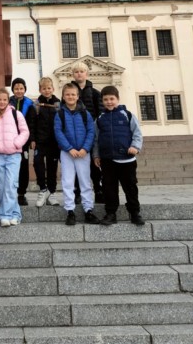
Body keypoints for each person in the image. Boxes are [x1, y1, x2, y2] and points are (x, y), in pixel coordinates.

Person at [94, 86, 145, 226]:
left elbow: (137, 133)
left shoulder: (127, 115)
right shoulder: (100, 118)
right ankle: (111, 213)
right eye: (106, 99)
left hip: (127, 160)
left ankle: (134, 213)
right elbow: (96, 139)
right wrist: (96, 155)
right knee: (109, 188)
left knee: (130, 187)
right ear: (102, 101)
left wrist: (135, 147)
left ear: (118, 99)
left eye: (112, 99)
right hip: (107, 160)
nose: (109, 102)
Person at [54, 83, 100, 226]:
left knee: (85, 181)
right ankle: (70, 211)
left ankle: (88, 210)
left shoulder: (85, 114)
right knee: (67, 182)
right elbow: (58, 132)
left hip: (82, 153)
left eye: (73, 94)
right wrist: (69, 148)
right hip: (67, 153)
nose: (70, 97)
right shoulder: (60, 114)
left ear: (77, 96)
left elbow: (91, 132)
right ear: (63, 96)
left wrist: (85, 148)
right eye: (67, 94)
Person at [0, 88, 29, 227]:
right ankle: (15, 214)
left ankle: (4, 215)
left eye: (4, 99)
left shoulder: (16, 113)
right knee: (1, 186)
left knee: (11, 185)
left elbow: (25, 132)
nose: (2, 102)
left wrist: (16, 143)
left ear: (8, 100)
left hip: (13, 155)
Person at [71, 61, 103, 202]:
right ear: (73, 74)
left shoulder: (95, 93)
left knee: (93, 164)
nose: (79, 74)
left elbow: (100, 113)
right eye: (76, 72)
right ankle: (77, 192)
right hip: (75, 134)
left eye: (81, 71)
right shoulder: (69, 93)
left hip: (91, 134)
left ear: (86, 74)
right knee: (77, 164)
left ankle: (98, 190)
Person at [34, 77, 61, 207]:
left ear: (53, 89)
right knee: (38, 163)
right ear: (40, 90)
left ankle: (52, 192)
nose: (47, 90)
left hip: (54, 141)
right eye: (44, 88)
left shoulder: (58, 104)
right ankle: (43, 189)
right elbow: (32, 122)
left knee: (52, 167)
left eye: (49, 88)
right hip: (40, 140)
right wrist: (33, 139)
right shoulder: (36, 104)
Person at [9, 78, 36, 207]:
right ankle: (9, 194)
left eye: (21, 88)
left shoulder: (30, 104)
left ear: (25, 89)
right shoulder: (8, 102)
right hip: (9, 140)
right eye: (16, 88)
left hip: (24, 141)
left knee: (23, 167)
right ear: (13, 90)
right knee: (9, 168)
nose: (19, 91)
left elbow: (32, 123)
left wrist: (32, 139)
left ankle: (21, 194)